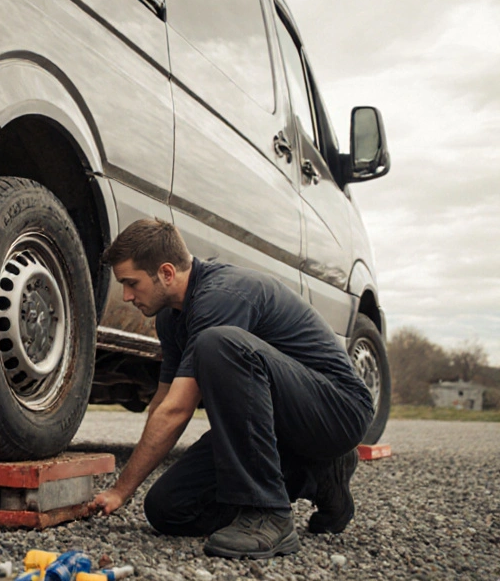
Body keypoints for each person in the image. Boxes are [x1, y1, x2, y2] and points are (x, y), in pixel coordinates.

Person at [87, 219, 374, 559]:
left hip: (337, 411)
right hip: (281, 426)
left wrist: (121, 490)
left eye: (131, 283)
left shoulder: (222, 295)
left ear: (166, 273)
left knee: (218, 344)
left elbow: (179, 409)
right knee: (169, 508)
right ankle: (317, 473)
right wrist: (128, 489)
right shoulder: (171, 317)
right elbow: (163, 403)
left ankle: (268, 513)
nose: (127, 295)